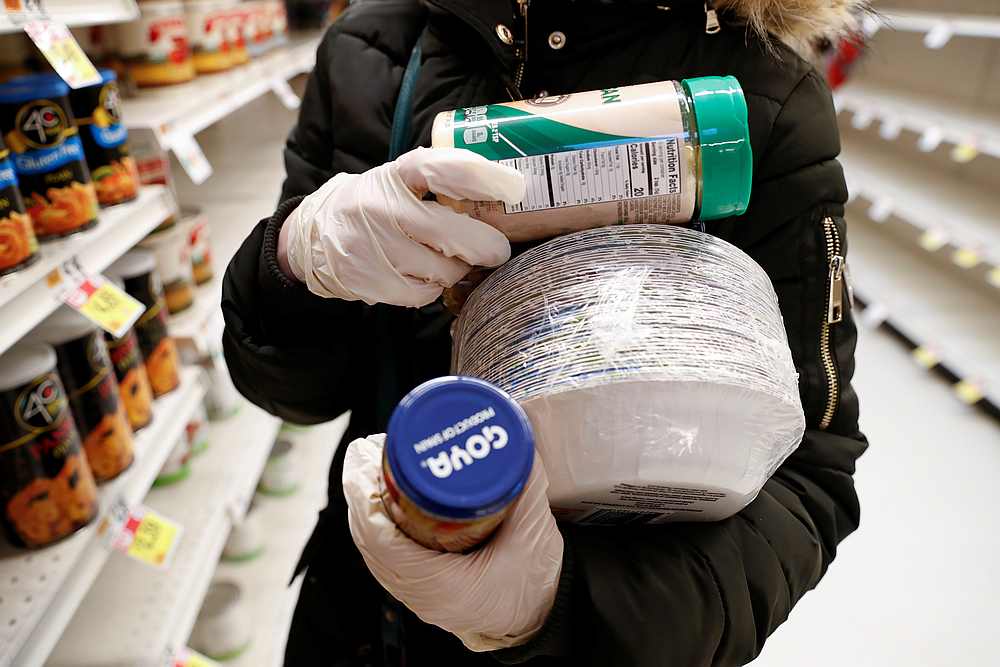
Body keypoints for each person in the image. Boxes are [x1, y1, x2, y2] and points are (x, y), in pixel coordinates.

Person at [221, 1, 870, 664]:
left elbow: (809, 477)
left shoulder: (763, 93)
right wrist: (294, 260)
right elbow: (294, 390)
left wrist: (558, 606)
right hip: (367, 615)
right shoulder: (376, 48)